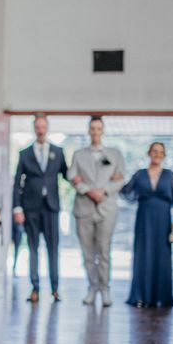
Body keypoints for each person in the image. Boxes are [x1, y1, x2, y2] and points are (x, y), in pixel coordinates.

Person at [68, 116, 125, 307]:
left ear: (103, 130)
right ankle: (92, 287)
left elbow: (120, 178)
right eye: (92, 129)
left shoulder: (114, 154)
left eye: (98, 128)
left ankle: (105, 288)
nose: (95, 132)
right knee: (87, 254)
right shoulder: (78, 154)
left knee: (104, 252)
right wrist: (88, 190)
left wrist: (104, 191)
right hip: (84, 208)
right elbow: (72, 176)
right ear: (88, 131)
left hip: (106, 209)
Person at [12, 114, 67, 303]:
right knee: (33, 249)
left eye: (43, 127)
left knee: (53, 249)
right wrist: (17, 208)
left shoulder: (58, 152)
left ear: (47, 128)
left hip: (51, 207)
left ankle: (55, 288)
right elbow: (17, 181)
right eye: (37, 127)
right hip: (31, 207)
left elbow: (67, 175)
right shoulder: (25, 153)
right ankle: (35, 287)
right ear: (34, 128)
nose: (40, 130)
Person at [121, 142, 173, 307]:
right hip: (144, 219)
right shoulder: (140, 174)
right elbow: (127, 191)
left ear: (164, 155)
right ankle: (142, 295)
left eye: (161, 152)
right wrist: (115, 179)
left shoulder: (170, 175)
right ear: (149, 153)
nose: (157, 154)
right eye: (154, 151)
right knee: (143, 254)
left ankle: (161, 296)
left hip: (163, 220)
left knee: (162, 256)